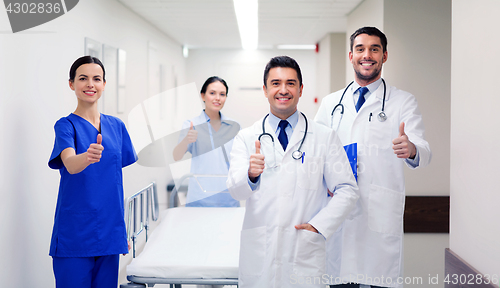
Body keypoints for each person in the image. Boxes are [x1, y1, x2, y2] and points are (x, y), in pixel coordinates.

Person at [227, 56, 359, 288]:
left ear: (300, 89)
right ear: (265, 89)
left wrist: (320, 225)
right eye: (276, 83)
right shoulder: (247, 137)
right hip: (261, 250)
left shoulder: (324, 137)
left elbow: (347, 190)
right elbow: (235, 191)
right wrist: (250, 175)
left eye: (290, 83)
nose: (283, 90)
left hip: (304, 249)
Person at [314, 27, 432, 288]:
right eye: (360, 49)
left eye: (374, 49)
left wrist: (411, 148)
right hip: (340, 215)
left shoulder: (403, 102)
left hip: (379, 217)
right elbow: (314, 153)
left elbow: (423, 148)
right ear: (350, 55)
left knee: (379, 280)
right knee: (339, 280)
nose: (367, 55)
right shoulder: (331, 104)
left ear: (384, 56)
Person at [48, 56, 137, 288]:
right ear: (71, 84)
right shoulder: (66, 125)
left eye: (96, 79)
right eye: (83, 78)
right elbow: (69, 163)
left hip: (109, 232)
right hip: (75, 234)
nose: (90, 84)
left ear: (104, 84)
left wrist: (120, 231)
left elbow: (113, 184)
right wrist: (87, 157)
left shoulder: (116, 127)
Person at [173, 76, 240, 207]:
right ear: (203, 96)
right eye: (212, 93)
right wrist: (186, 140)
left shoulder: (234, 126)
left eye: (222, 94)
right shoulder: (191, 124)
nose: (217, 98)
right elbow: (176, 156)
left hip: (228, 198)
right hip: (200, 198)